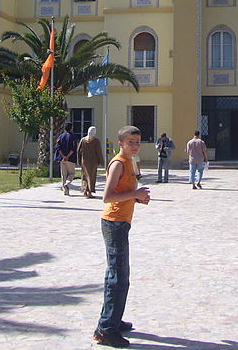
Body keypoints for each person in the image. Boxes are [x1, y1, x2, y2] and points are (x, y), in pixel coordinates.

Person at [93, 125, 151, 348]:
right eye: (130, 142)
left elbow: (122, 192)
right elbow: (107, 197)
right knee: (116, 277)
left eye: (138, 142)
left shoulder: (130, 161)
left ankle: (113, 319)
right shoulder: (118, 163)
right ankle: (106, 329)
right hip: (114, 223)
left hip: (122, 222)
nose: (135, 146)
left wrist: (137, 198)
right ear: (121, 144)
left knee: (122, 276)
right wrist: (135, 194)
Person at [78, 126, 105, 198]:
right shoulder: (96, 141)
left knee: (85, 176)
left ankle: (85, 190)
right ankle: (89, 191)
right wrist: (102, 162)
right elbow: (99, 152)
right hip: (93, 162)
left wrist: (79, 160)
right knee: (91, 176)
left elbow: (78, 151)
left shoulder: (83, 140)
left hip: (84, 161)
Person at [55, 122, 79, 195]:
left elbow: (58, 147)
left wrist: (63, 156)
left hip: (62, 159)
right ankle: (67, 184)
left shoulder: (61, 136)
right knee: (71, 173)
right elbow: (73, 148)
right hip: (70, 159)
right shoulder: (73, 137)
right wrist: (67, 156)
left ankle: (65, 191)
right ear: (71, 128)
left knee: (63, 175)